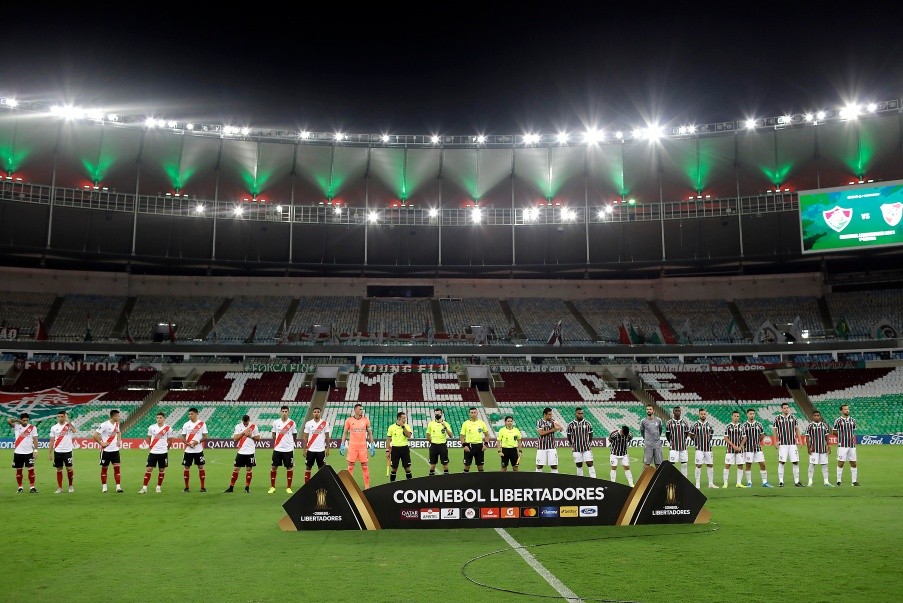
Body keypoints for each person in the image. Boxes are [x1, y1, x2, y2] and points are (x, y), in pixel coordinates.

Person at [339, 403, 376, 489]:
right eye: (360, 409)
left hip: (363, 447)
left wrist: (372, 444)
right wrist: (342, 444)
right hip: (352, 447)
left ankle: (367, 487)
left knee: (365, 467)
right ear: (355, 410)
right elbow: (345, 433)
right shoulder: (349, 420)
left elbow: (370, 433)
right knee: (350, 467)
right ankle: (350, 486)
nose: (362, 411)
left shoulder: (366, 420)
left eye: (362, 409)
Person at [140, 411, 173, 493]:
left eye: (160, 418)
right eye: (157, 418)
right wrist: (150, 446)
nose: (158, 419)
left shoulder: (168, 428)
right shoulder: (151, 427)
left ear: (164, 418)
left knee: (161, 470)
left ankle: (158, 487)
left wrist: (166, 449)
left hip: (163, 452)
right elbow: (149, 438)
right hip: (153, 452)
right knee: (149, 469)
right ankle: (144, 488)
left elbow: (170, 440)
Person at [225, 414, 259, 493]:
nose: (245, 424)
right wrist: (243, 433)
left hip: (250, 452)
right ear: (242, 420)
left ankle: (247, 487)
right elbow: (235, 438)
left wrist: (251, 436)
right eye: (244, 422)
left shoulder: (254, 427)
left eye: (246, 422)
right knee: (236, 469)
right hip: (241, 452)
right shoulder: (238, 426)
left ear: (249, 420)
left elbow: (258, 438)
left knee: (249, 469)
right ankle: (231, 487)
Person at [92, 409, 123, 493]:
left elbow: (118, 432)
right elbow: (94, 435)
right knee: (104, 469)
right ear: (113, 416)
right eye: (118, 416)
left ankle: (118, 487)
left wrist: (119, 440)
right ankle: (104, 487)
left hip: (115, 450)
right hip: (106, 451)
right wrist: (101, 443)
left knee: (117, 469)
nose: (119, 417)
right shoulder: (104, 425)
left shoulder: (117, 424)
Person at [269, 405, 297, 494]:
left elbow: (294, 435)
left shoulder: (292, 423)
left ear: (288, 412)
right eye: (283, 411)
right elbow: (273, 434)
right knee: (274, 467)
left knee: (289, 467)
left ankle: (288, 488)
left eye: (286, 411)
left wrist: (290, 443)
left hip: (288, 449)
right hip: (278, 448)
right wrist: (277, 442)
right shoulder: (276, 422)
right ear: (280, 412)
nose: (284, 413)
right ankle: (272, 487)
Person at [773, 402, 803, 487]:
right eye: (784, 408)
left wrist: (800, 440)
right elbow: (774, 430)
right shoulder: (777, 418)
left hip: (792, 443)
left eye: (787, 408)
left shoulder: (793, 417)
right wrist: (775, 441)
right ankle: (781, 481)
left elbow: (797, 429)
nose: (786, 409)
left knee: (795, 462)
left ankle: (797, 481)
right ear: (781, 409)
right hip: (782, 444)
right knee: (782, 462)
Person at [741, 408, 773, 487]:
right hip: (748, 449)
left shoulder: (759, 424)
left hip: (758, 448)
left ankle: (765, 482)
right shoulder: (743, 425)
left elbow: (762, 435)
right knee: (748, 465)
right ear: (747, 414)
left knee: (762, 464)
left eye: (753, 414)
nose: (752, 415)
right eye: (750, 414)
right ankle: (749, 482)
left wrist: (757, 442)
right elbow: (742, 437)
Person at [8, 413, 38, 493]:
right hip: (18, 452)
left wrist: (35, 450)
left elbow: (35, 439)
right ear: (21, 420)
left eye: (27, 420)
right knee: (19, 471)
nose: (25, 422)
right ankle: (20, 487)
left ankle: (32, 487)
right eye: (24, 420)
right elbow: (9, 420)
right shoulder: (17, 426)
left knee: (31, 470)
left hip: (29, 453)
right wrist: (18, 421)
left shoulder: (32, 428)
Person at [181, 407, 209, 493]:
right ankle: (186, 488)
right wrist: (187, 443)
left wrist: (197, 442)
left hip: (198, 450)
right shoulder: (186, 424)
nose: (190, 415)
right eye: (189, 414)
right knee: (186, 467)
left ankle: (202, 487)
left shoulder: (202, 424)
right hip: (188, 450)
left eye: (192, 414)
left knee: (201, 467)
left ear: (196, 414)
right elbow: (183, 437)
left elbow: (205, 437)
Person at [48, 409, 75, 494]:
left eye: (62, 416)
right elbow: (52, 440)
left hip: (68, 451)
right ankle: (60, 488)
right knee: (59, 469)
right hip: (57, 451)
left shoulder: (69, 425)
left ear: (65, 416)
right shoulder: (54, 427)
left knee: (69, 468)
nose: (60, 418)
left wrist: (68, 421)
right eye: (59, 417)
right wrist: (50, 453)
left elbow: (74, 430)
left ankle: (70, 486)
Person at [302, 406, 330, 483]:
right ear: (313, 413)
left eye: (318, 412)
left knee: (322, 468)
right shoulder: (308, 423)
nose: (316, 413)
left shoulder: (325, 424)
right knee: (308, 467)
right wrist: (304, 449)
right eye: (315, 412)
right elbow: (305, 437)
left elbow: (327, 437)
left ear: (320, 413)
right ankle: (307, 485)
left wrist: (327, 449)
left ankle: (321, 484)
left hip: (321, 450)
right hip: (310, 450)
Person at [805, 410, 834, 487]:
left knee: (825, 465)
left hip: (823, 449)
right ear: (812, 416)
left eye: (818, 415)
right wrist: (808, 447)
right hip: (813, 448)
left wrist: (829, 445)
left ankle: (826, 481)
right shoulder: (810, 426)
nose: (816, 417)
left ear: (820, 416)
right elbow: (807, 437)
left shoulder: (824, 425)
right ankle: (810, 481)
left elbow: (827, 436)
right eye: (815, 415)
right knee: (812, 464)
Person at [833, 404, 859, 486]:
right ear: (841, 411)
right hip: (842, 445)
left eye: (848, 409)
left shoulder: (853, 420)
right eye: (845, 409)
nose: (847, 410)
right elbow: (834, 432)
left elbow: (853, 431)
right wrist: (842, 436)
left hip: (851, 445)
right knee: (841, 463)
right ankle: (838, 480)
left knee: (853, 463)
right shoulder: (838, 421)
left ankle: (854, 481)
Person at [690, 408, 717, 489]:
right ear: (699, 415)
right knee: (698, 465)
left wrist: (707, 442)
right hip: (699, 449)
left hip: (708, 448)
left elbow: (711, 436)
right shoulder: (695, 425)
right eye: (701, 414)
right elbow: (691, 435)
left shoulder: (710, 425)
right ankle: (697, 483)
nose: (703, 415)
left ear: (706, 415)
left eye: (704, 414)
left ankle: (711, 483)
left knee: (710, 465)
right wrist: (697, 442)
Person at [566, 407, 595, 478]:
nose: (581, 415)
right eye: (579, 413)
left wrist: (588, 443)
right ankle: (580, 480)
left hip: (586, 448)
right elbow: (569, 436)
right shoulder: (571, 425)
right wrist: (573, 444)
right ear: (576, 414)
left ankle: (594, 479)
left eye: (582, 413)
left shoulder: (587, 423)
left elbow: (590, 435)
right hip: (576, 449)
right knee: (579, 465)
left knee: (589, 463)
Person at [460, 406, 489, 472]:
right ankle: (465, 478)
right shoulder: (465, 423)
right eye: (472, 412)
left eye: (474, 412)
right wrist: (464, 446)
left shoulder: (482, 423)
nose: (473, 414)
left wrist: (485, 444)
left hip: (479, 446)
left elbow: (487, 435)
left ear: (477, 413)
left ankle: (480, 478)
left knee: (480, 466)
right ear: (469, 414)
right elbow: (461, 436)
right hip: (469, 446)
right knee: (467, 466)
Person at [722, 410, 747, 488]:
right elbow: (725, 437)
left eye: (737, 416)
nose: (736, 417)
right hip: (730, 449)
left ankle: (738, 483)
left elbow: (744, 438)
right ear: (732, 416)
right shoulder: (728, 426)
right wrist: (733, 445)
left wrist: (740, 447)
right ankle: (725, 483)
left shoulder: (742, 426)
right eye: (735, 416)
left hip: (740, 450)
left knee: (740, 465)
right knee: (727, 465)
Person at [386, 411, 413, 481]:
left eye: (405, 418)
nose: (405, 420)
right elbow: (388, 439)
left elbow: (409, 435)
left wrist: (403, 426)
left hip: (405, 449)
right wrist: (387, 450)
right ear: (399, 418)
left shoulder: (407, 426)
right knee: (394, 468)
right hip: (395, 449)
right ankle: (392, 484)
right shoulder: (391, 427)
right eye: (403, 418)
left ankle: (410, 484)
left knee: (407, 468)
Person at [426, 407, 453, 475]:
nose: (437, 415)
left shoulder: (446, 423)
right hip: (433, 446)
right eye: (436, 414)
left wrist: (445, 427)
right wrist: (432, 442)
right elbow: (428, 435)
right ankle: (431, 480)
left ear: (441, 414)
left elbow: (451, 435)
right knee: (432, 466)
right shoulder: (431, 424)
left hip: (442, 446)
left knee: (445, 465)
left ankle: (446, 479)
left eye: (438, 414)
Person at [665, 406, 691, 477]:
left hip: (683, 447)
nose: (677, 412)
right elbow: (667, 434)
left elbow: (686, 433)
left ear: (681, 412)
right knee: (672, 464)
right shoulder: (669, 423)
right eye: (676, 411)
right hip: (673, 447)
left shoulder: (685, 422)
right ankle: (672, 479)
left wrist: (682, 440)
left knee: (684, 464)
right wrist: (671, 442)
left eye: (679, 411)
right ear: (673, 412)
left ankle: (684, 479)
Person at [535, 406, 562, 473]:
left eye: (551, 414)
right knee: (539, 466)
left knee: (554, 466)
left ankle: (554, 479)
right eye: (549, 414)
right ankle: (537, 479)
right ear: (545, 414)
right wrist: (552, 430)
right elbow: (541, 433)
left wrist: (559, 427)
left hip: (552, 447)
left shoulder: (553, 421)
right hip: (541, 447)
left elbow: (561, 429)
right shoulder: (539, 422)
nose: (550, 416)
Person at [639, 405, 663, 469]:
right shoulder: (643, 421)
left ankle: (658, 476)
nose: (648, 410)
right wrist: (647, 440)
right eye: (647, 409)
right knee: (646, 465)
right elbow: (642, 431)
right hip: (648, 445)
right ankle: (645, 476)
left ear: (653, 411)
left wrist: (657, 438)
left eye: (650, 409)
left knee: (658, 465)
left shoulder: (658, 420)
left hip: (657, 445)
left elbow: (660, 430)